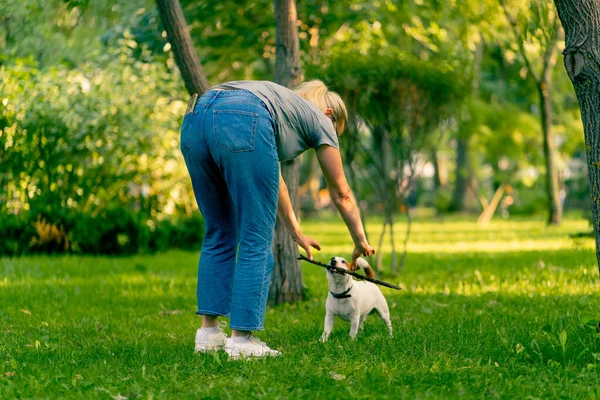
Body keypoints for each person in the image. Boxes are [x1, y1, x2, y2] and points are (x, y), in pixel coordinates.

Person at [180, 79, 375, 359]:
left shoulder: (282, 105)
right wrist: (359, 240)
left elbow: (276, 181)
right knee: (255, 237)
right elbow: (342, 192)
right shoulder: (319, 119)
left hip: (195, 118)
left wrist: (296, 231)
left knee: (218, 232)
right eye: (336, 134)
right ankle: (242, 341)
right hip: (240, 118)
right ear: (330, 116)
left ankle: (208, 335)